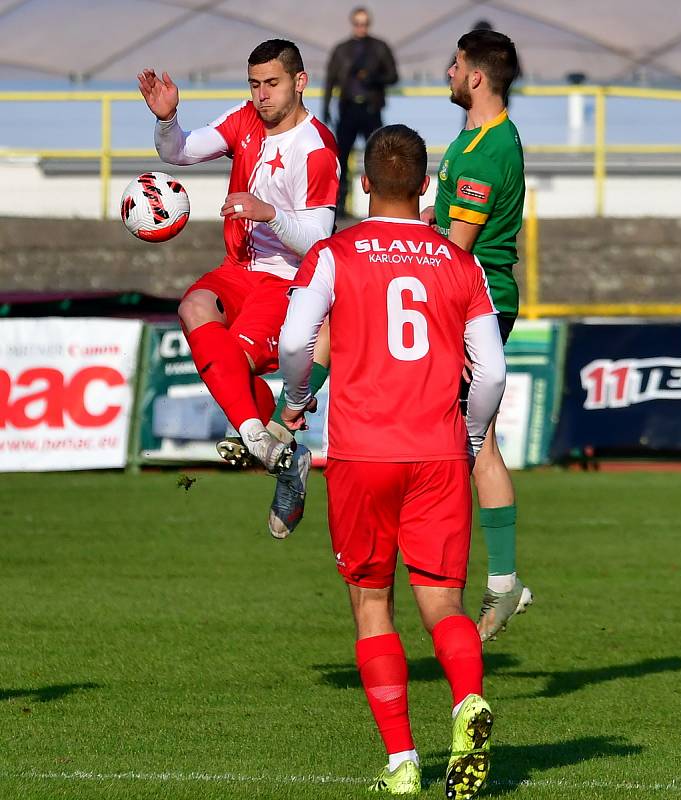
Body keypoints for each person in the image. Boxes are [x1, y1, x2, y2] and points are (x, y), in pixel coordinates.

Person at [278, 125, 506, 797]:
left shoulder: (333, 253)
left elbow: (296, 339)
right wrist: (467, 438)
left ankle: (402, 763)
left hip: (359, 454)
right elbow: (489, 372)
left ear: (366, 183)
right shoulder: (457, 264)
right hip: (436, 453)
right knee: (443, 602)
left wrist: (295, 398)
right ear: (427, 185)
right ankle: (466, 700)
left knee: (371, 606)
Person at [137, 40, 339, 534]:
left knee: (235, 357)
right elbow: (178, 152)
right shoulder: (244, 118)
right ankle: (272, 446)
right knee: (193, 305)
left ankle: (272, 449)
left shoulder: (317, 150)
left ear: (300, 82)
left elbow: (318, 237)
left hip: (285, 280)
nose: (262, 95)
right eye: (254, 84)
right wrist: (167, 119)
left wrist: (268, 212)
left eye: (271, 84)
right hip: (236, 268)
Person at [422, 29, 532, 642]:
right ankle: (501, 581)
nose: (448, 72)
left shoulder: (488, 151)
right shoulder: (473, 138)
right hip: (470, 302)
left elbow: (456, 250)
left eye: (456, 65)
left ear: (477, 77)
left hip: (477, 305)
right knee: (477, 442)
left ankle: (475, 578)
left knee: (458, 443)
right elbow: (444, 228)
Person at [323, 6, 398, 217]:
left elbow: (393, 75)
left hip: (371, 109)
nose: (360, 28)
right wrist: (326, 107)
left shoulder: (380, 47)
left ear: (369, 24)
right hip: (347, 109)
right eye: (357, 23)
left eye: (364, 23)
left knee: (378, 156)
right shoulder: (341, 49)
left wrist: (373, 78)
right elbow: (330, 80)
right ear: (352, 23)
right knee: (341, 158)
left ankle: (382, 205)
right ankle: (338, 206)